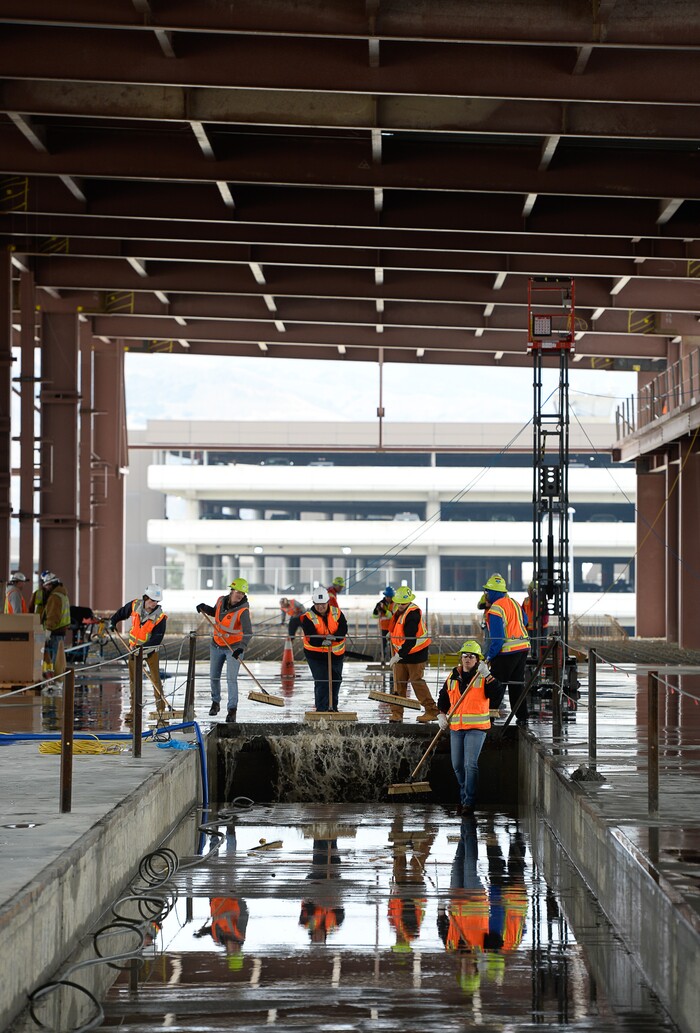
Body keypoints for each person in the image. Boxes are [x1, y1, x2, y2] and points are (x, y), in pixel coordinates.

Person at [437, 639, 504, 816]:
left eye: (471, 657)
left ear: (477, 660)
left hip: (477, 727)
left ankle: (468, 802)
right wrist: (441, 714)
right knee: (458, 765)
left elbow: (497, 696)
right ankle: (464, 795)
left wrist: (488, 676)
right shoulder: (452, 677)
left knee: (470, 764)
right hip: (457, 728)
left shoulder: (482, 676)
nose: (467, 659)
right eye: (465, 656)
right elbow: (443, 698)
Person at [196, 578, 252, 722]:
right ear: (232, 590)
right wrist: (204, 608)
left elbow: (248, 632)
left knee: (231, 679)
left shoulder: (243, 610)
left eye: (242, 593)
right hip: (216, 645)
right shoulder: (221, 600)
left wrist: (241, 648)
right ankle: (215, 703)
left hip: (233, 649)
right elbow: (216, 612)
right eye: (237, 592)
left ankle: (232, 710)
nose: (239, 595)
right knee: (214, 677)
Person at [110, 583, 168, 719]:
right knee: (134, 681)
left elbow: (156, 639)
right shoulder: (135, 605)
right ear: (146, 597)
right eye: (152, 600)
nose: (154, 604)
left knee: (155, 680)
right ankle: (134, 710)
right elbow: (121, 613)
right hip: (133, 650)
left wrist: (141, 650)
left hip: (150, 651)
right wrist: (113, 621)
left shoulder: (160, 618)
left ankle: (161, 710)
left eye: (156, 601)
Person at [482, 573, 530, 725]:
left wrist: (489, 657)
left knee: (496, 685)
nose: (486, 594)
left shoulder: (496, 609)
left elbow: (497, 639)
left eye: (487, 591)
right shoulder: (514, 602)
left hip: (507, 652)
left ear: (494, 592)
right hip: (522, 648)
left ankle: (487, 718)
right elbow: (526, 620)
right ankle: (522, 717)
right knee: (517, 685)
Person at [386, 585, 438, 723]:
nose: (400, 605)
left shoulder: (413, 614)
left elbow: (410, 640)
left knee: (417, 682)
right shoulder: (400, 610)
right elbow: (397, 627)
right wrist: (390, 634)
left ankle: (432, 711)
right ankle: (397, 714)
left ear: (408, 601)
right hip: (402, 653)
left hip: (415, 654)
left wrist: (398, 656)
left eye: (403, 603)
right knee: (399, 684)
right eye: (399, 603)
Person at [300, 586, 347, 712]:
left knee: (336, 680)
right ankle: (321, 709)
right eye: (318, 604)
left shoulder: (336, 613)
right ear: (314, 603)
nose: (320, 607)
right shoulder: (308, 617)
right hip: (316, 655)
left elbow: (343, 629)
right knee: (322, 680)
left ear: (327, 602)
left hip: (336, 654)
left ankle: (333, 707)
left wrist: (335, 638)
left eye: (323, 604)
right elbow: (310, 636)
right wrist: (322, 641)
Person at [194, 896, 249, 968]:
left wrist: (202, 933)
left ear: (228, 951)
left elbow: (213, 928)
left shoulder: (218, 939)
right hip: (228, 896)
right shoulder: (239, 933)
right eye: (237, 950)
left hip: (214, 897)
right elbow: (244, 913)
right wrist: (236, 896)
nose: (235, 947)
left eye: (233, 951)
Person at [40, 572, 71, 677]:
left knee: (55, 660)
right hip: (60, 631)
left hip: (55, 632)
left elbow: (53, 615)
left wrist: (48, 630)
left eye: (47, 585)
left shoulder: (55, 597)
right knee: (59, 659)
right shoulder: (62, 594)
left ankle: (56, 680)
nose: (45, 588)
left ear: (51, 584)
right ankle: (58, 679)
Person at [522, 580, 549, 657]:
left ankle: (542, 657)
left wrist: (542, 622)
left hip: (541, 627)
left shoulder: (542, 600)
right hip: (530, 627)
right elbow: (522, 612)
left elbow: (545, 613)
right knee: (532, 644)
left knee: (542, 643)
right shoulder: (526, 600)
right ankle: (535, 656)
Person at [372, 585, 395, 660]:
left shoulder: (395, 604)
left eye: (390, 597)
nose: (389, 598)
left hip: (392, 628)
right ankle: (383, 659)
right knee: (383, 645)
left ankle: (393, 659)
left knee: (393, 644)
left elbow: (392, 615)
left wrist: (384, 611)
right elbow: (374, 616)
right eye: (388, 596)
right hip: (384, 628)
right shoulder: (380, 604)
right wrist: (376, 610)